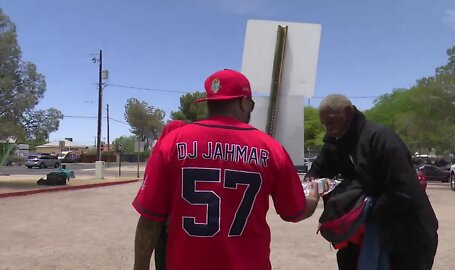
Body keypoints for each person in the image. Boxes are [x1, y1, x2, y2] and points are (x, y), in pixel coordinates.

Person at [133, 69, 320, 270]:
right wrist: (313, 199)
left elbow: (149, 222)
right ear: (243, 102)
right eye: (251, 104)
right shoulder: (271, 149)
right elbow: (294, 212)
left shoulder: (171, 144)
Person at [307, 94, 438, 270]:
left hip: (409, 235)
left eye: (330, 122)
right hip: (362, 235)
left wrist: (363, 214)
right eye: (324, 124)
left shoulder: (381, 138)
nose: (327, 128)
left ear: (347, 112)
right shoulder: (336, 142)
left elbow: (404, 191)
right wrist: (308, 186)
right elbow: (318, 170)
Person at [151, 120, 188, 270]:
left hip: (166, 227)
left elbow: (151, 203)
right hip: (193, 230)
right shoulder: (195, 156)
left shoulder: (160, 155)